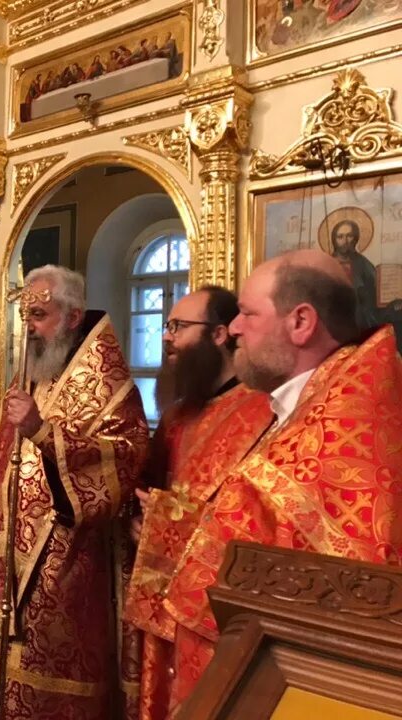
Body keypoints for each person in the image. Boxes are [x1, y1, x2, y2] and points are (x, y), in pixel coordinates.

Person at [165, 250, 402, 713]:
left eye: (248, 314)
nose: (233, 329)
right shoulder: (313, 403)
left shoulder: (346, 429)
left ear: (301, 323)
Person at [0, 265, 149, 720]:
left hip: (69, 559)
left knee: (43, 672)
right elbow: (1, 456)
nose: (30, 328)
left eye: (40, 315)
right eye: (26, 316)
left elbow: (125, 456)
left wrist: (41, 431)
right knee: (4, 668)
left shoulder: (108, 385)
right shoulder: (32, 375)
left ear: (74, 317)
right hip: (9, 553)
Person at [123, 287, 273, 720]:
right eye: (166, 327)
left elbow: (255, 514)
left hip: (217, 606)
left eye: (179, 327)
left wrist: (167, 521)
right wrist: (139, 520)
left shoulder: (263, 411)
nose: (167, 337)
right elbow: (145, 488)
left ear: (220, 334)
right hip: (162, 594)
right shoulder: (175, 416)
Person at [329, 218, 402, 352]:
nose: (345, 241)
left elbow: (376, 292)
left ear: (355, 238)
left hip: (362, 317)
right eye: (340, 237)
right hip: (335, 316)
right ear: (334, 239)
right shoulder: (327, 264)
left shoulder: (363, 264)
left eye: (349, 236)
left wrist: (392, 301)